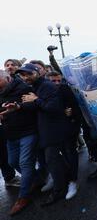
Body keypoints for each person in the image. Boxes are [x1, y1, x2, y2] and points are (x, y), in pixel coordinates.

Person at [10, 64, 73, 206]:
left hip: (53, 130)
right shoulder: (36, 87)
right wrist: (18, 107)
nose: (25, 77)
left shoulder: (47, 86)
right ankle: (68, 180)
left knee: (52, 160)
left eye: (28, 74)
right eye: (23, 75)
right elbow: (36, 105)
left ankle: (59, 191)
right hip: (46, 130)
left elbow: (53, 107)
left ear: (37, 72)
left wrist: (36, 100)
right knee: (54, 160)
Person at [0, 68, 38, 215]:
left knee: (25, 162)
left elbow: (34, 104)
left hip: (27, 131)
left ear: (7, 78)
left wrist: (18, 107)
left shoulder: (22, 87)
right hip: (11, 134)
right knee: (13, 162)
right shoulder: (1, 92)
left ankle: (23, 196)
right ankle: (35, 178)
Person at [46, 71, 82, 200]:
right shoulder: (43, 92)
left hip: (68, 128)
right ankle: (61, 179)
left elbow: (75, 108)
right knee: (58, 156)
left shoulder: (65, 89)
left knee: (70, 152)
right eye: (53, 81)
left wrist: (72, 121)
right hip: (53, 130)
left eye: (58, 81)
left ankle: (73, 181)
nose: (57, 83)